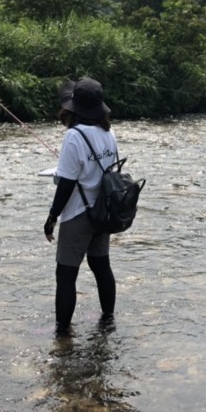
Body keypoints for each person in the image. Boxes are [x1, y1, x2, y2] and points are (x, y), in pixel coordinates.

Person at [43, 77, 118, 336]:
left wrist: (52, 217)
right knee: (101, 266)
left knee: (65, 275)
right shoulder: (109, 132)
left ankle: (62, 335)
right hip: (103, 212)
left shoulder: (74, 136)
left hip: (78, 214)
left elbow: (66, 184)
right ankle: (108, 322)